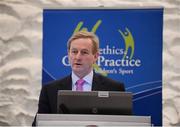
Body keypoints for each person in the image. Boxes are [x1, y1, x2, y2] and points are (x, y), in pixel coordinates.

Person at [32, 31, 125, 126]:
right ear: (68, 54)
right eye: (74, 52)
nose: (78, 57)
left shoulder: (114, 88)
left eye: (84, 52)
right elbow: (39, 124)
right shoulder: (49, 90)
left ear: (96, 56)